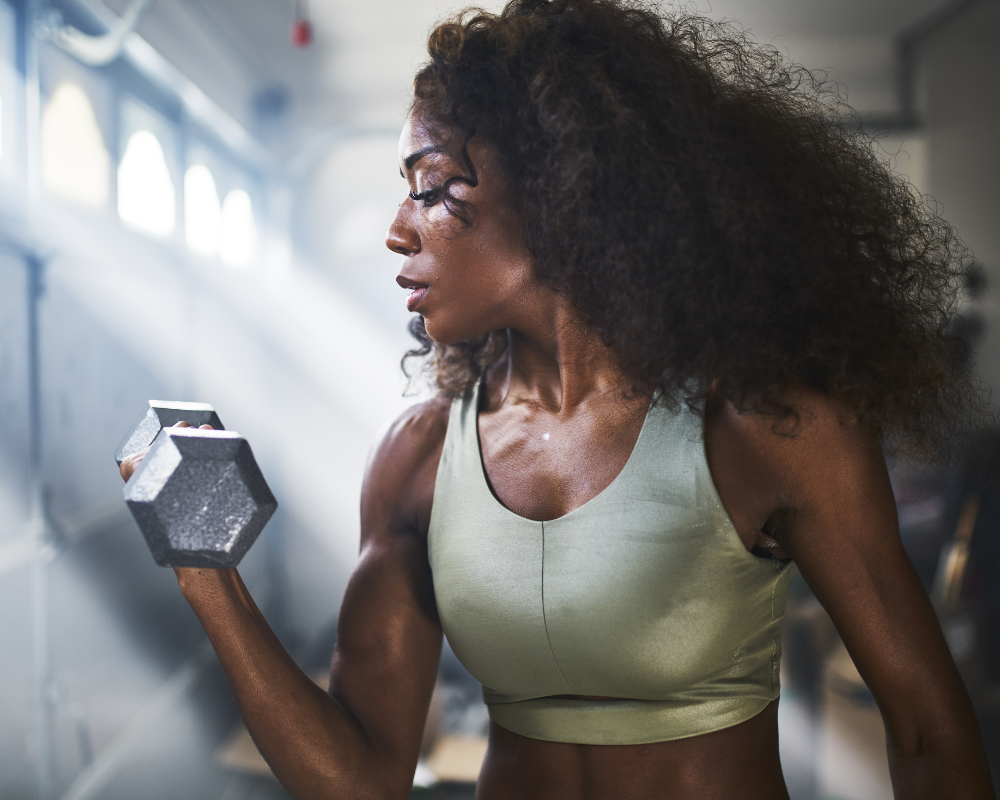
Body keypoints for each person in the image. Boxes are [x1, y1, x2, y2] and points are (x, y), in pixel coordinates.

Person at [120, 0, 996, 797]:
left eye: (428, 187)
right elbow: (362, 780)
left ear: (558, 190)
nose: (396, 228)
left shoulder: (763, 426)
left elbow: (928, 734)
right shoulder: (418, 460)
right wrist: (210, 581)